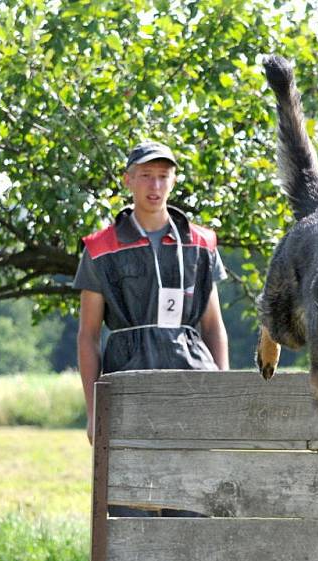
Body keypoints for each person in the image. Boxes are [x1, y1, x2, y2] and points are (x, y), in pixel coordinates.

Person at [75, 141, 229, 445]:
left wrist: (225, 394)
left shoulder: (201, 243)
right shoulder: (100, 248)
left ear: (173, 181)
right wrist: (94, 412)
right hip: (128, 382)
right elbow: (88, 335)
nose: (155, 185)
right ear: (128, 179)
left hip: (195, 379)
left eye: (163, 175)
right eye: (146, 175)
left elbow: (213, 326)